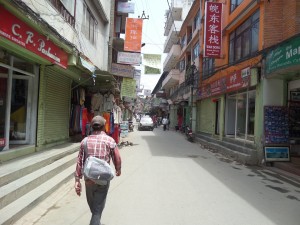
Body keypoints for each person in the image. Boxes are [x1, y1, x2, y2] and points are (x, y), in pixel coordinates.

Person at [74, 115, 122, 225]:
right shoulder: (109, 140)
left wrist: (77, 180)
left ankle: (96, 220)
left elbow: (79, 161)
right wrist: (118, 169)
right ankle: (95, 221)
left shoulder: (84, 141)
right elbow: (117, 157)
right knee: (97, 209)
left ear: (91, 127)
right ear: (104, 127)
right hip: (103, 179)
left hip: (89, 179)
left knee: (94, 207)